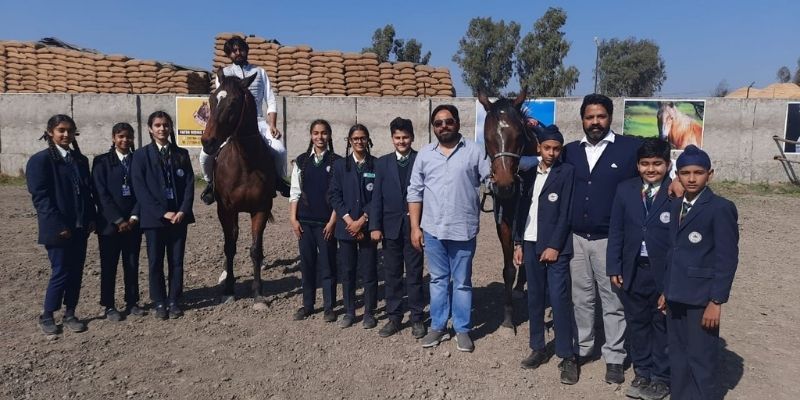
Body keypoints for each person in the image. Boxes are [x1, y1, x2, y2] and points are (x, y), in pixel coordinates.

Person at [561, 93, 641, 384]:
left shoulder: (630, 149)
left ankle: (615, 356)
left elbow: (657, 168)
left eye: (601, 116)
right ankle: (582, 348)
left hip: (612, 240)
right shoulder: (570, 151)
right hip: (577, 239)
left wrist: (676, 185)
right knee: (580, 298)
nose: (595, 122)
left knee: (612, 299)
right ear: (582, 119)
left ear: (610, 117)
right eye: (590, 117)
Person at [408, 104, 490, 353]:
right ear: (433, 127)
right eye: (438, 123)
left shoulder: (474, 151)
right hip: (433, 230)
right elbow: (415, 192)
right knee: (438, 280)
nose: (444, 126)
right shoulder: (425, 154)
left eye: (448, 121)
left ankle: (462, 329)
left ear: (457, 123)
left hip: (463, 230)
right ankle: (438, 326)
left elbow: (491, 179)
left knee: (462, 282)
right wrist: (415, 228)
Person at [660, 145, 738, 400]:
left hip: (701, 297)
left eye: (698, 172)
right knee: (678, 353)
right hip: (676, 294)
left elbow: (726, 258)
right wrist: (666, 290)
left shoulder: (720, 208)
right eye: (685, 173)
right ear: (677, 175)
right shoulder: (676, 206)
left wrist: (716, 301)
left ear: (710, 174)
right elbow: (672, 253)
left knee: (701, 355)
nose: (691, 178)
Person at [606, 138, 673, 399]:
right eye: (645, 164)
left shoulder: (675, 192)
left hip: (662, 272)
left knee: (661, 323)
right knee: (638, 323)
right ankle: (642, 372)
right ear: (637, 165)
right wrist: (614, 265)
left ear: (668, 165)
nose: (651, 169)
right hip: (633, 270)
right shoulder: (625, 190)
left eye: (657, 163)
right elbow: (616, 231)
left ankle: (661, 377)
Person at [512, 125, 579, 384]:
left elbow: (567, 212)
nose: (551, 153)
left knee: (559, 299)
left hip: (554, 247)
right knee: (535, 298)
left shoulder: (566, 172)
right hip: (530, 243)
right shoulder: (529, 174)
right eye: (547, 148)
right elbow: (521, 209)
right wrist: (518, 243)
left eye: (556, 149)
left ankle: (567, 355)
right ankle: (538, 347)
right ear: (539, 148)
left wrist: (555, 245)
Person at [26, 114, 96, 335]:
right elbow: (41, 198)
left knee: (76, 270)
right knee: (61, 271)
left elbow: (86, 192)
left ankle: (70, 313)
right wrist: (58, 225)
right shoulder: (41, 160)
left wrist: (90, 218)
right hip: (58, 228)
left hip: (79, 227)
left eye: (70, 130)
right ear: (50, 132)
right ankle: (47, 315)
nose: (66, 134)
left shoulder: (80, 160)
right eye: (61, 130)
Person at [199, 35, 290, 203]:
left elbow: (270, 99)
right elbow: (220, 104)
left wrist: (272, 125)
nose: (238, 53)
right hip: (231, 125)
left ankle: (279, 180)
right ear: (229, 54)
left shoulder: (260, 72)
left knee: (280, 150)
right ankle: (211, 184)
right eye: (233, 51)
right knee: (204, 156)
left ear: (246, 51)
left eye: (241, 49)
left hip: (258, 121)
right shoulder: (224, 74)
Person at [131, 111, 195, 320]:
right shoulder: (141, 156)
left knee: (176, 261)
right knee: (155, 261)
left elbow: (189, 184)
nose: (162, 129)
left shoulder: (181, 154)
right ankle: (159, 301)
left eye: (166, 125)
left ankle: (174, 300)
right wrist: (162, 212)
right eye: (157, 125)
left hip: (178, 218)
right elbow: (140, 189)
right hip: (154, 219)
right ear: (150, 129)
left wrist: (183, 210)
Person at [370, 117, 426, 339]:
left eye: (405, 137)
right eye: (397, 137)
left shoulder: (421, 159)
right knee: (392, 274)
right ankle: (394, 317)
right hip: (390, 227)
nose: (401, 141)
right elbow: (376, 197)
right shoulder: (382, 163)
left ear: (412, 137)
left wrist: (421, 225)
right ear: (392, 138)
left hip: (414, 227)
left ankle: (417, 317)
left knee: (414, 273)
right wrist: (375, 225)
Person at [92, 122, 145, 321]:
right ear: (113, 138)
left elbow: (143, 191)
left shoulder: (138, 160)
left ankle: (132, 301)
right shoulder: (101, 162)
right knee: (109, 265)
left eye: (128, 136)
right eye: (121, 136)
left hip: (133, 223)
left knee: (131, 264)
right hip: (109, 224)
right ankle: (109, 305)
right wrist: (118, 219)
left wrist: (134, 217)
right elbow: (100, 193)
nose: (125, 140)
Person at [289, 119, 340, 323]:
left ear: (329, 135)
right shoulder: (302, 161)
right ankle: (308, 305)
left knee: (328, 265)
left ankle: (329, 307)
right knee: (307, 265)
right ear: (311, 135)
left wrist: (333, 221)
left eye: (324, 133)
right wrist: (293, 219)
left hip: (326, 224)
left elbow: (339, 195)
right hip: (304, 223)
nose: (320, 137)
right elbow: (295, 192)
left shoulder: (337, 162)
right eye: (316, 133)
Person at [328, 124, 378, 329]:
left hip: (367, 227)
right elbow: (334, 195)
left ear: (368, 140)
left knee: (369, 271)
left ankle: (369, 312)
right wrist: (349, 221)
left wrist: (363, 220)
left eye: (363, 138)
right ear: (349, 141)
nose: (359, 141)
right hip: (346, 228)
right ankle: (349, 311)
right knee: (348, 271)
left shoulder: (376, 165)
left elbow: (378, 197)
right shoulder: (340, 166)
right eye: (355, 138)